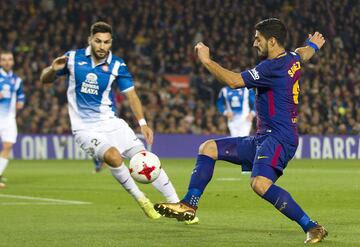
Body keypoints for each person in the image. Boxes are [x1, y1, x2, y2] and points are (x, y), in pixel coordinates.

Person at [154, 18, 327, 243]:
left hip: (279, 138)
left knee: (260, 184)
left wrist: (207, 61)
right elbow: (302, 54)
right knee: (208, 148)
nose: (254, 43)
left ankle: (312, 227)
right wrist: (312, 46)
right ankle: (189, 204)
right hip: (263, 138)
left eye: (258, 39)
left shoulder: (270, 67)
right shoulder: (291, 59)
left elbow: (235, 81)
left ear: (272, 41)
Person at [40, 21, 198, 223]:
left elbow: (131, 96)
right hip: (85, 129)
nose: (102, 46)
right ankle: (142, 200)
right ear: (90, 40)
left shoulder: (117, 65)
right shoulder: (72, 58)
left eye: (106, 42)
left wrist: (143, 122)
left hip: (113, 124)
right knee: (113, 157)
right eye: (98, 41)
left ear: (111, 42)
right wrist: (53, 70)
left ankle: (179, 206)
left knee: (147, 160)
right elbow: (45, 79)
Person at [0, 51, 25, 188]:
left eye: (10, 59)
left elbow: (21, 95)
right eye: (4, 60)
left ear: (13, 62)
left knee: (8, 145)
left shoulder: (17, 80)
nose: (7, 62)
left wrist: (20, 102)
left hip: (9, 118)